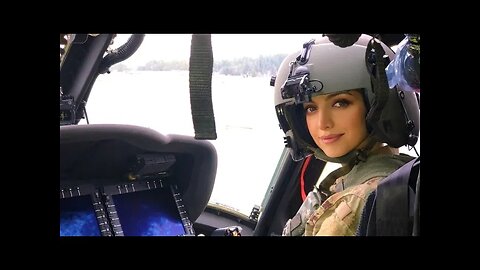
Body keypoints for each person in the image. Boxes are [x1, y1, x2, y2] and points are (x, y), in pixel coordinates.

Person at [272, 34, 420, 236]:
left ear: (379, 108)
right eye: (310, 108)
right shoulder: (396, 173)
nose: (323, 123)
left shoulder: (357, 202)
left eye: (340, 103)